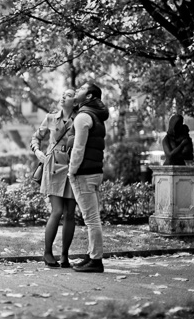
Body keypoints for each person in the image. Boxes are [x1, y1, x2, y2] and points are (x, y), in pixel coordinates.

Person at [30, 89, 77, 268]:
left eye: (70, 95)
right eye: (63, 94)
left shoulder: (79, 118)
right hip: (53, 166)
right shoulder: (50, 118)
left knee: (70, 214)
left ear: (75, 101)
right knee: (57, 211)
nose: (64, 96)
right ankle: (48, 252)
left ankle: (65, 255)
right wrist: (38, 152)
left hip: (72, 166)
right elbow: (36, 138)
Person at [67, 82, 109, 273]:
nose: (77, 90)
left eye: (82, 89)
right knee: (93, 218)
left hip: (83, 173)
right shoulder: (95, 116)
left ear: (90, 96)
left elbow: (79, 147)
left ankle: (96, 261)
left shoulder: (83, 116)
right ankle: (92, 255)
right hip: (95, 172)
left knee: (91, 219)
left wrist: (72, 170)